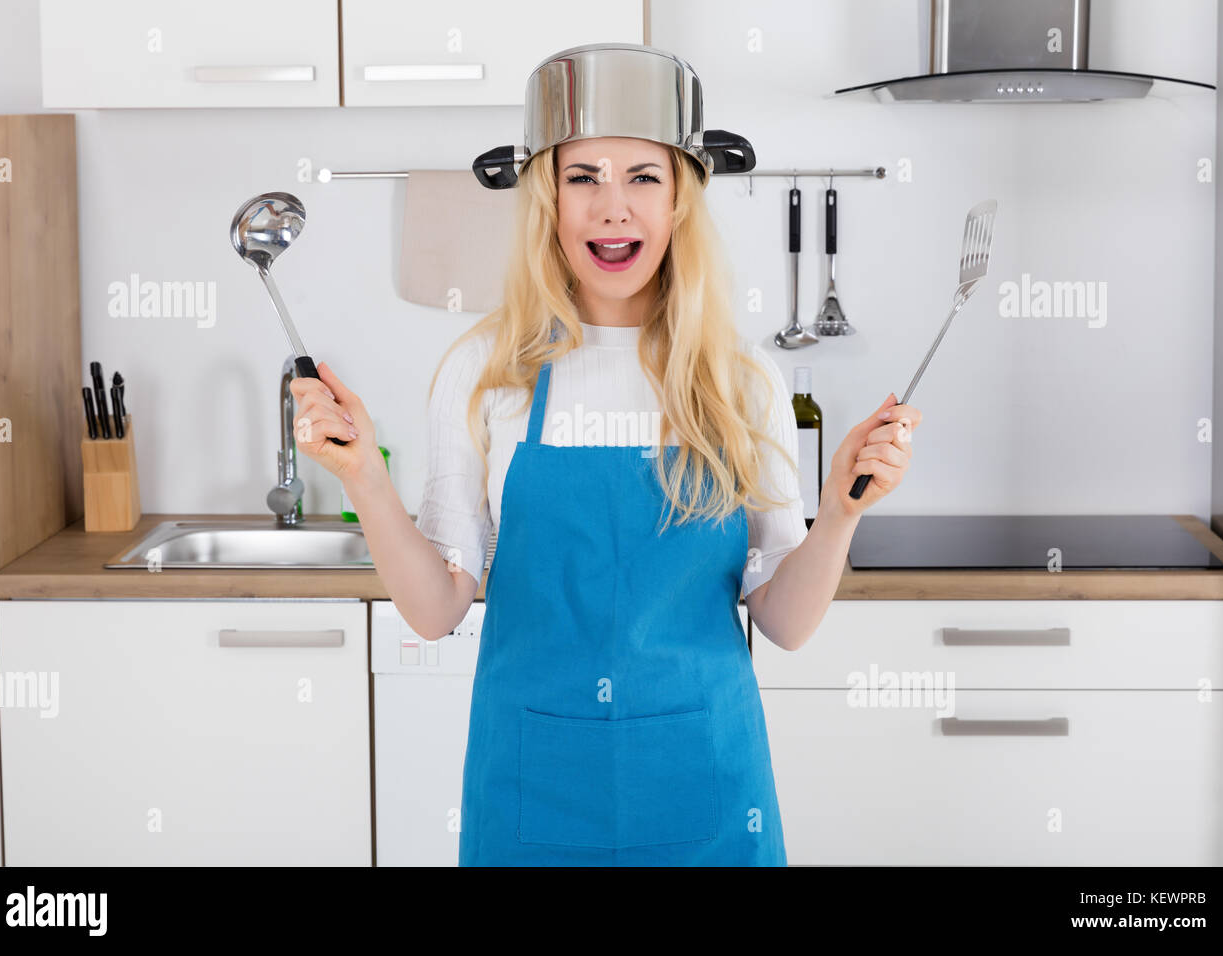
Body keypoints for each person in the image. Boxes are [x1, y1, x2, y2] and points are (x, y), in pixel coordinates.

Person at [291, 47, 921, 867]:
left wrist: (839, 510)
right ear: (546, 199)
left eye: (643, 178)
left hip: (706, 788)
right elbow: (438, 608)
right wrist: (364, 480)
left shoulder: (739, 378)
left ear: (681, 203)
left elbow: (786, 621)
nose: (612, 208)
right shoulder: (484, 374)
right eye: (583, 176)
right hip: (531, 793)